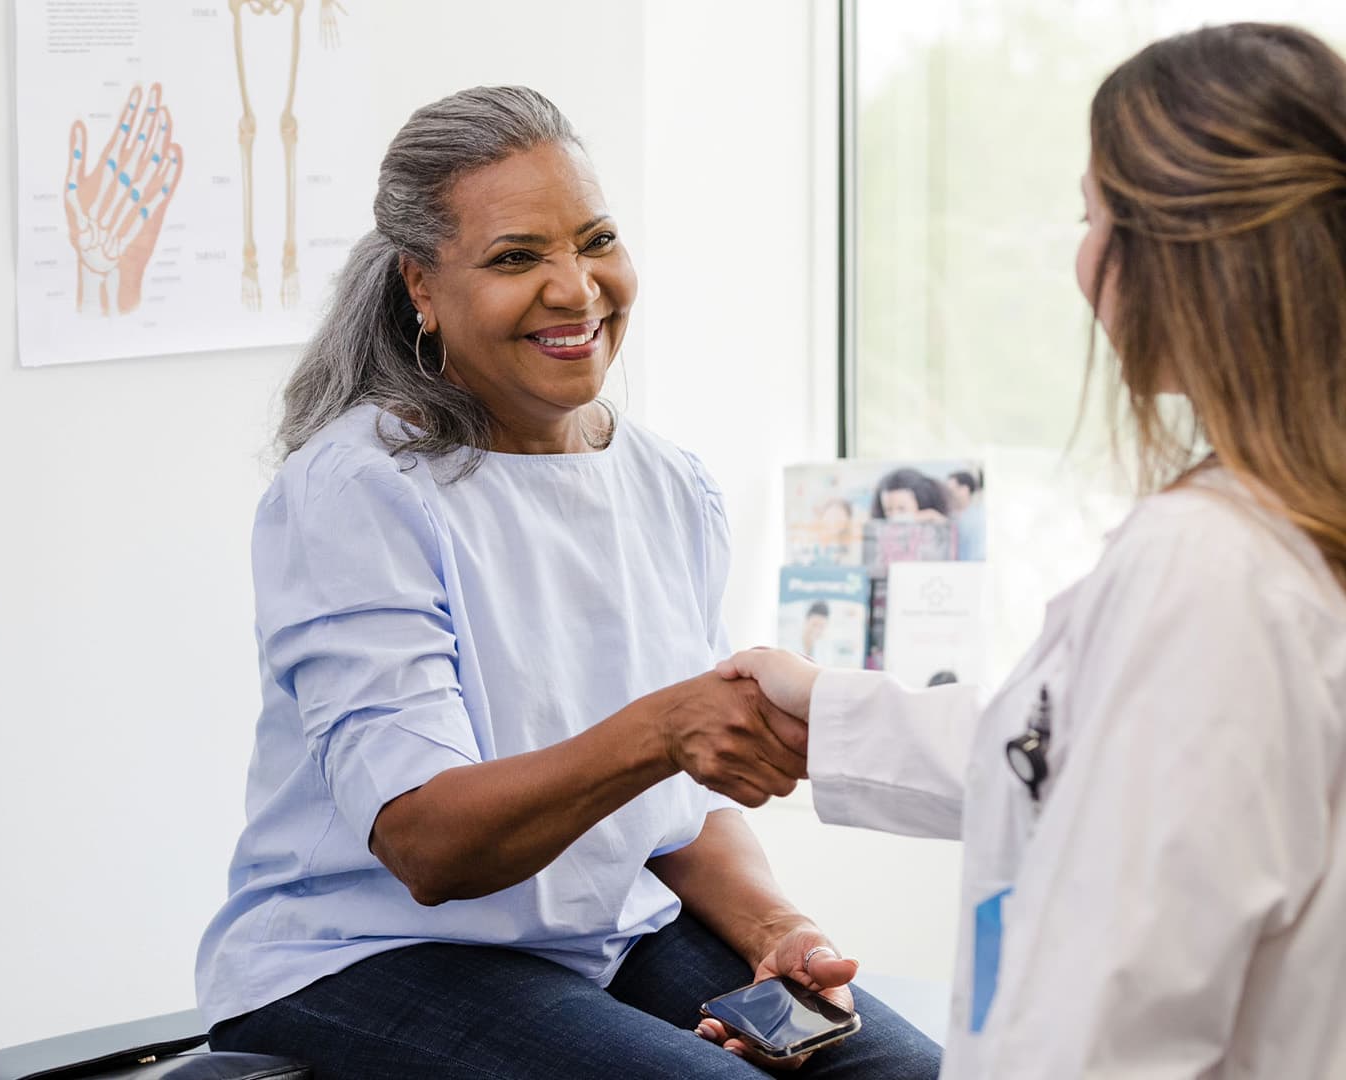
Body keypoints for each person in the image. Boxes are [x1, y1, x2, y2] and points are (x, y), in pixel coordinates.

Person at [195, 87, 941, 1079]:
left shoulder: (669, 483)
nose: (577, 289)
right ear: (421, 286)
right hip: (366, 953)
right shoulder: (359, 492)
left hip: (608, 934)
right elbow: (427, 846)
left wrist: (775, 927)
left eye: (596, 241)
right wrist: (663, 727)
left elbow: (677, 810)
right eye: (516, 258)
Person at [714, 23, 1346, 1078]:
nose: (1083, 257)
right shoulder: (1281, 523)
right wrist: (825, 706)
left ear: (1176, 253)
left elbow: (1109, 1019)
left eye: (1093, 216)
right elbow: (1074, 755)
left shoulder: (1210, 569)